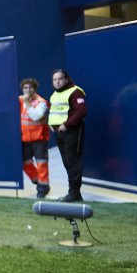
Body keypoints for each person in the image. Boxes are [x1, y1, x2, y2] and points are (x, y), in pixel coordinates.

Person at [48, 69, 87, 203]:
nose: (57, 82)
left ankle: (74, 192)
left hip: (72, 131)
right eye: (54, 79)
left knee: (73, 162)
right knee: (67, 162)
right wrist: (52, 125)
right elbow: (56, 112)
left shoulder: (75, 91)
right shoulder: (55, 95)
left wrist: (67, 124)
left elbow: (81, 111)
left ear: (66, 79)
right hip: (59, 133)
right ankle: (74, 193)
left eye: (60, 79)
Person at [19, 79, 51, 199]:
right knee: (25, 163)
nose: (28, 90)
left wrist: (27, 103)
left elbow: (36, 116)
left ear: (35, 89)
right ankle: (39, 181)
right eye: (25, 88)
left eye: (30, 88)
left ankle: (42, 189)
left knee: (41, 163)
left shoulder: (42, 102)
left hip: (39, 139)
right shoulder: (19, 100)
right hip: (24, 139)